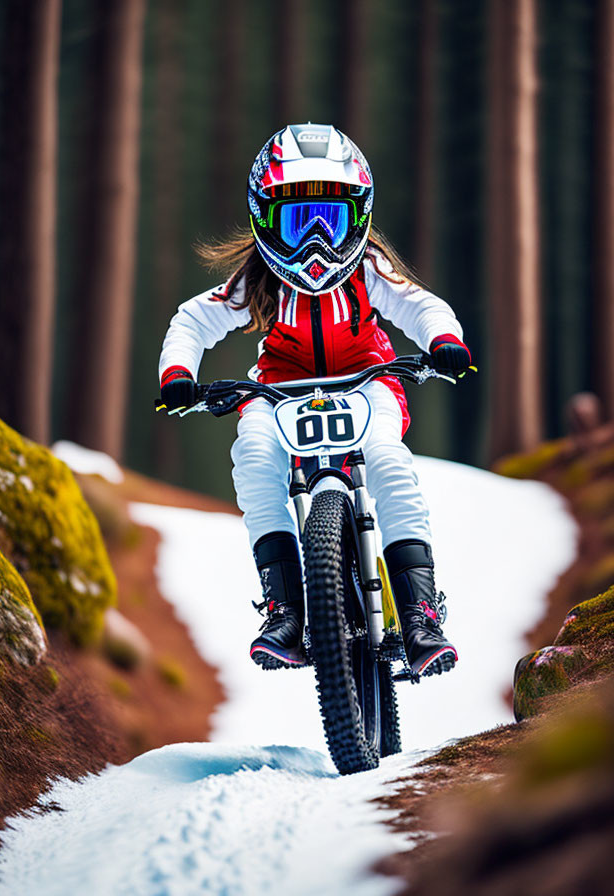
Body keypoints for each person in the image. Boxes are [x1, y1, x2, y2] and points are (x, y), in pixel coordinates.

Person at [158, 123, 471, 677]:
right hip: (277, 386)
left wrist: (443, 342)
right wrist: (178, 372)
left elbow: (422, 306)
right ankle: (283, 610)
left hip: (370, 378)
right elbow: (194, 318)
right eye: (299, 222)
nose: (317, 243)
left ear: (360, 215)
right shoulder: (258, 276)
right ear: (264, 219)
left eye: (331, 220)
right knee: (253, 459)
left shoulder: (371, 268)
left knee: (391, 465)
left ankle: (421, 614)